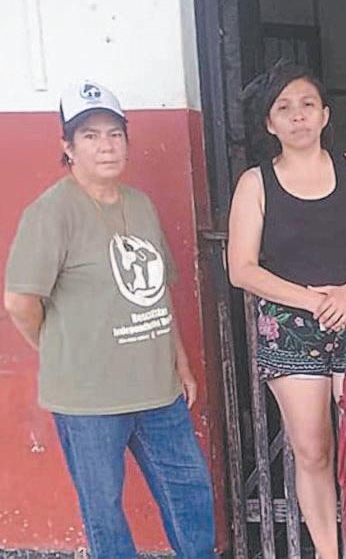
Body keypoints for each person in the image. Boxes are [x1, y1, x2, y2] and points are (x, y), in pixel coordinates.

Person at [4, 81, 216, 557]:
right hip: (89, 400)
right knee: (105, 515)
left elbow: (158, 293)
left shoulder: (139, 205)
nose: (106, 146)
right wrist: (60, 349)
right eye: (91, 136)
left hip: (158, 390)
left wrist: (180, 363)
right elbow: (19, 301)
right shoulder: (51, 213)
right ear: (68, 147)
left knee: (190, 495)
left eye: (115, 134)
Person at [227, 61, 346, 558]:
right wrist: (314, 300)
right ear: (269, 123)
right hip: (291, 330)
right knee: (314, 452)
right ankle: (329, 553)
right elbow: (241, 269)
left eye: (307, 105)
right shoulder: (255, 184)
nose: (298, 116)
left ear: (325, 114)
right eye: (284, 108)